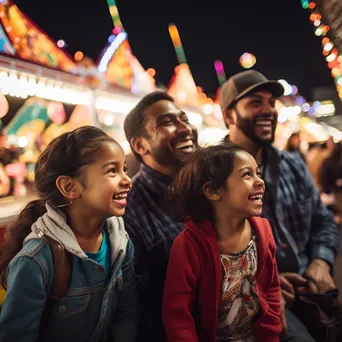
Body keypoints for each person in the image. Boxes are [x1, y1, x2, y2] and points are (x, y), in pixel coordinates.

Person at [219, 69, 340, 341]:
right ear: (229, 116)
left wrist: (321, 261)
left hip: (310, 285)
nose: (268, 110)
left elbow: (323, 222)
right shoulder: (215, 175)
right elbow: (208, 251)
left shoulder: (293, 165)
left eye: (271, 103)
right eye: (254, 103)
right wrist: (262, 280)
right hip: (257, 301)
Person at [0, 126, 138, 342]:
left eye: (125, 169)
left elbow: (126, 313)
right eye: (112, 170)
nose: (127, 180)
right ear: (70, 187)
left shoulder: (120, 242)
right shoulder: (36, 261)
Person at [163, 143, 282, 342]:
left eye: (258, 173)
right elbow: (177, 316)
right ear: (213, 191)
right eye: (247, 175)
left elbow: (270, 288)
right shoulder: (188, 245)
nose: (260, 181)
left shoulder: (263, 232)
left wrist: (271, 336)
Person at [123, 90, 198, 341]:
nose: (185, 128)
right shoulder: (127, 212)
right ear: (140, 145)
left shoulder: (213, 188)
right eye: (167, 123)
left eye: (184, 119)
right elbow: (139, 308)